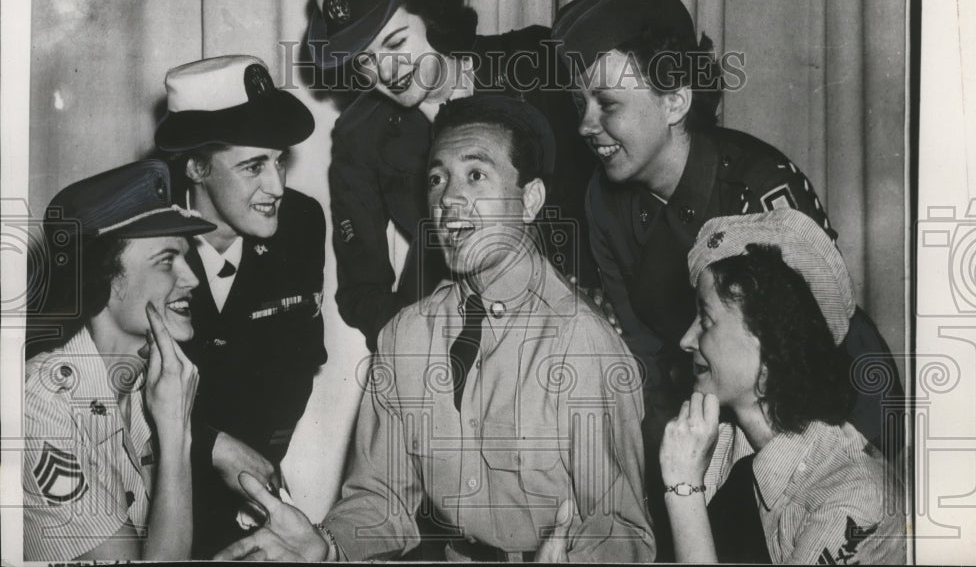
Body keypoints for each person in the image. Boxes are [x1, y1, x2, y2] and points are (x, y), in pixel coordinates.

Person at [215, 95, 654, 562]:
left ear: (530, 200)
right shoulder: (407, 335)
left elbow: (622, 531)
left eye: (476, 175)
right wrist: (328, 545)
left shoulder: (581, 343)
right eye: (437, 179)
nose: (448, 199)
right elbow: (383, 501)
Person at [551, 0, 903, 558]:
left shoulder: (760, 186)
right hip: (715, 417)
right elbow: (644, 357)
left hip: (833, 415)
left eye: (607, 103)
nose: (587, 124)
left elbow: (815, 342)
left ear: (674, 100)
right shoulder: (602, 199)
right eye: (579, 104)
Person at [305, 0, 598, 351]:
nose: (385, 72)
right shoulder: (360, 136)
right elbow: (362, 290)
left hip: (578, 308)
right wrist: (422, 347)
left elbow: (610, 197)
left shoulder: (536, 61)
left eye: (394, 44)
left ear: (433, 18)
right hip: (454, 334)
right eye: (364, 60)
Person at [153, 55, 328, 557]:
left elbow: (295, 365)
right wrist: (210, 447)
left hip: (250, 483)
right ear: (195, 166)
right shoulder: (143, 240)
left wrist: (255, 486)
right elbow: (115, 391)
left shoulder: (300, 223)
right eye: (254, 166)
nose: (277, 186)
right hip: (148, 484)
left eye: (279, 161)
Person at [659, 208, 905, 564]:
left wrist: (684, 492)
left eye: (707, 320)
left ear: (771, 346)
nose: (686, 339)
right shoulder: (721, 443)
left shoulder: (857, 498)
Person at [23, 159, 215, 561]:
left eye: (186, 257)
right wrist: (177, 437)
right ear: (105, 280)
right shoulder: (41, 402)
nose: (193, 279)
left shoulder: (148, 383)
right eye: (167, 260)